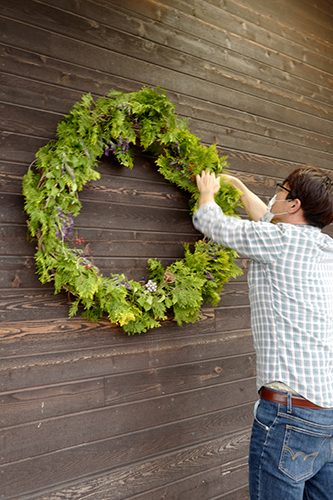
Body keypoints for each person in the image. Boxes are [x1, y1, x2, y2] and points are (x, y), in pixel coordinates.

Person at [193, 166, 333, 500]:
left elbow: (210, 222)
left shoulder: (278, 242)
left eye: (280, 191)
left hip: (289, 412)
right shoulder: (325, 249)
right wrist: (241, 187)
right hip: (325, 413)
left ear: (294, 204)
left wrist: (208, 191)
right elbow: (269, 221)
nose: (275, 196)